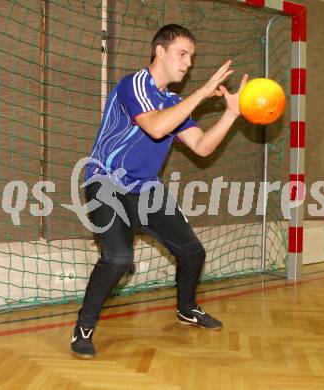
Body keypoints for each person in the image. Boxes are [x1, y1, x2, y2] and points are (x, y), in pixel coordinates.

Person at [71, 24, 248, 359]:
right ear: (160, 51)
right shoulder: (133, 85)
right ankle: (83, 327)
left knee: (193, 252)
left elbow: (202, 146)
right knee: (119, 259)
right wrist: (201, 92)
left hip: (146, 189)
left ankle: (186, 308)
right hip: (106, 183)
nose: (188, 64)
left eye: (191, 58)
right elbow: (155, 126)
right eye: (182, 54)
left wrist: (231, 114)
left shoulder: (173, 101)